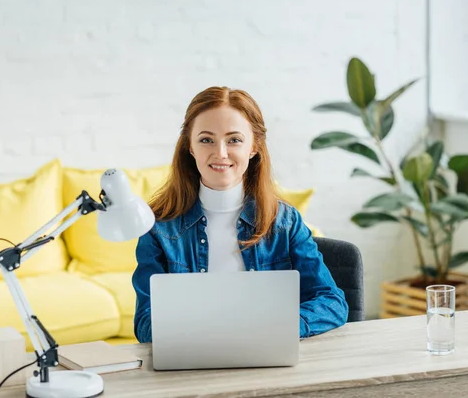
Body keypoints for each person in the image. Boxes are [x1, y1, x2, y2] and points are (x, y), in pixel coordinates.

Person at [132, 86, 348, 343]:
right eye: (206, 139)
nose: (220, 153)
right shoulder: (158, 228)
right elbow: (145, 322)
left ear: (254, 147)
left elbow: (332, 302)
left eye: (234, 140)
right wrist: (212, 333)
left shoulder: (285, 222)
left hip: (268, 352)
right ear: (190, 146)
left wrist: (281, 326)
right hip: (193, 360)